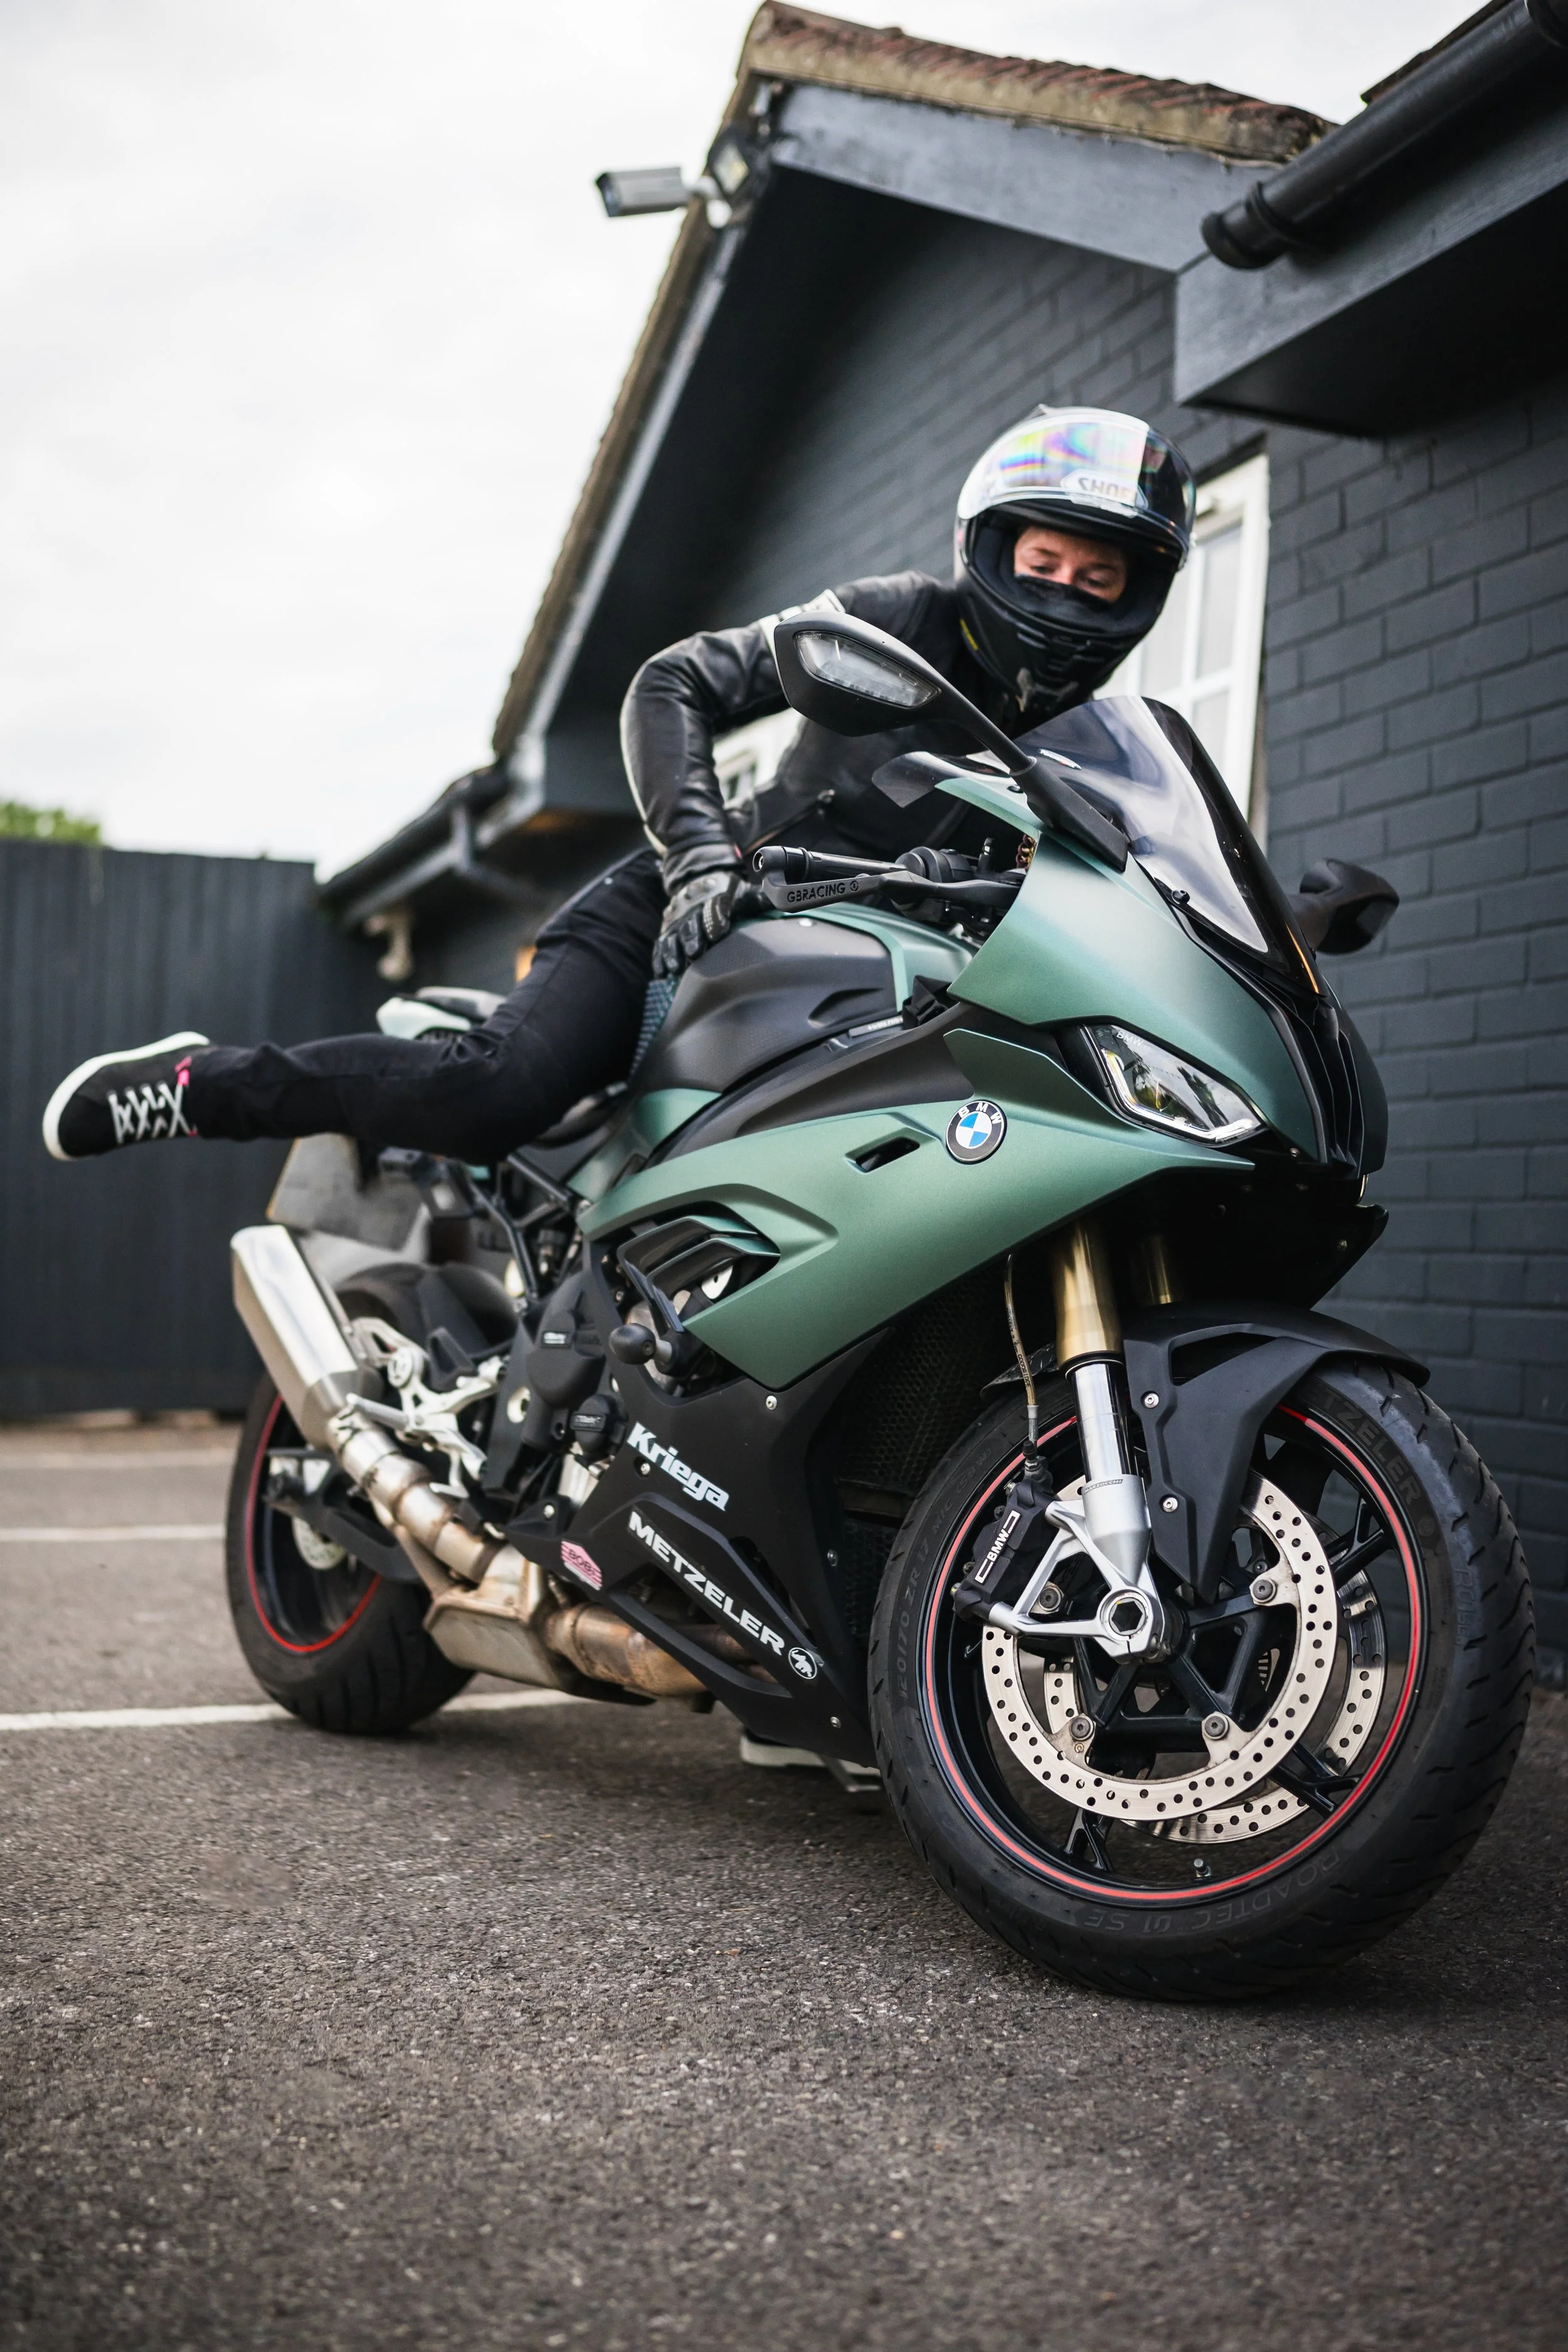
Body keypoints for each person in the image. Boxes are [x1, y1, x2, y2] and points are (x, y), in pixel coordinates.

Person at [43, 408, 1195, 1168]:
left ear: (1136, 598)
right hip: (685, 918)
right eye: (1045, 562)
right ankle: (207, 1084)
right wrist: (699, 856)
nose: (1067, 592)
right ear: (992, 549)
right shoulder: (902, 620)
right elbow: (674, 681)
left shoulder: (1096, 746)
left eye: (1100, 578)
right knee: (499, 1092)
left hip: (861, 989)